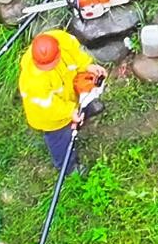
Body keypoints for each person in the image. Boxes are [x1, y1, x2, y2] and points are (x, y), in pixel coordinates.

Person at [17, 27, 105, 176]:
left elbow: (76, 53)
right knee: (61, 140)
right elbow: (49, 106)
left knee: (81, 102)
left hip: (69, 94)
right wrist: (70, 112)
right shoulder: (33, 81)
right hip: (50, 118)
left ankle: (86, 110)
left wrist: (87, 65)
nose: (48, 68)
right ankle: (67, 167)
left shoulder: (62, 40)